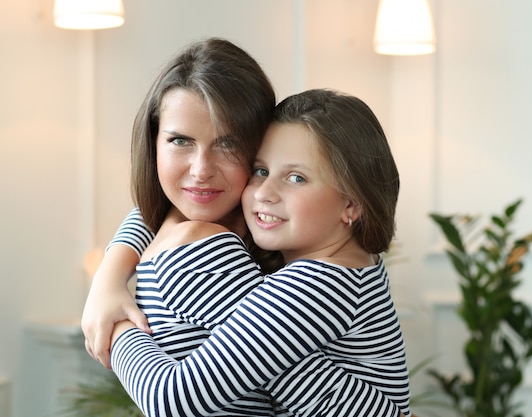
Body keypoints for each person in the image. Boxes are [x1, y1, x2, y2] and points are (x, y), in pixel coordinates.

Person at [81, 38, 409, 416]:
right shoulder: (352, 262)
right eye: (262, 171)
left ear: (351, 204)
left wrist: (117, 328)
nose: (201, 171)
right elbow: (152, 211)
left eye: (297, 178)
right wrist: (109, 277)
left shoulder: (311, 282)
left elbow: (169, 398)